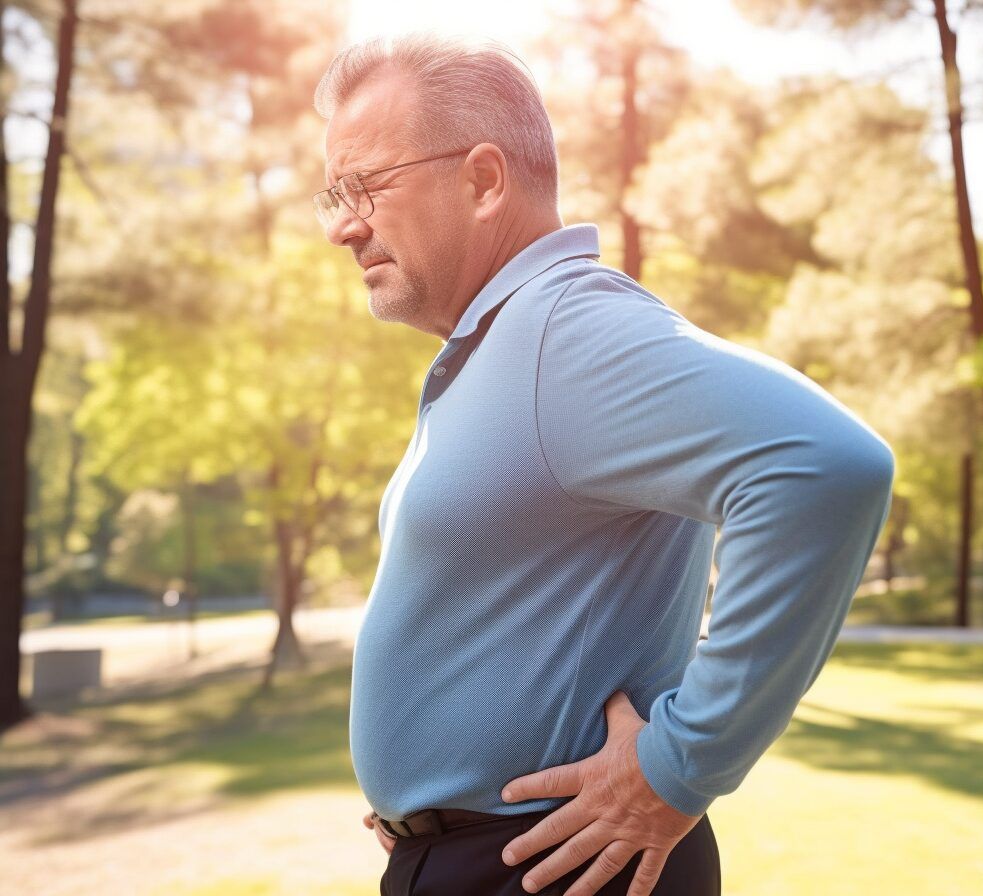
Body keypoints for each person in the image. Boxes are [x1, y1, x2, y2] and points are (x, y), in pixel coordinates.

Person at [312, 32, 895, 896]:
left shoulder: (563, 333)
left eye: (364, 186)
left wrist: (678, 767)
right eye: (332, 193)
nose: (340, 226)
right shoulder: (504, 346)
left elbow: (826, 467)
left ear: (482, 180)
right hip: (482, 858)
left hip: (558, 869)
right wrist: (420, 794)